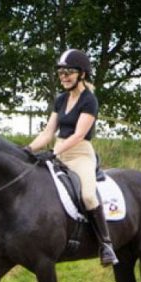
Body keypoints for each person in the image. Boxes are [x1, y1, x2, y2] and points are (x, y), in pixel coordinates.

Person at [24, 49, 119, 267]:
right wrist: (27, 148)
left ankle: (106, 245)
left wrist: (54, 152)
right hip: (58, 152)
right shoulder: (60, 99)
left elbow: (78, 134)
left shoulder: (89, 100)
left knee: (87, 195)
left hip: (80, 154)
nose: (64, 76)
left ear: (82, 74)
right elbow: (48, 132)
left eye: (69, 72)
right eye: (61, 73)